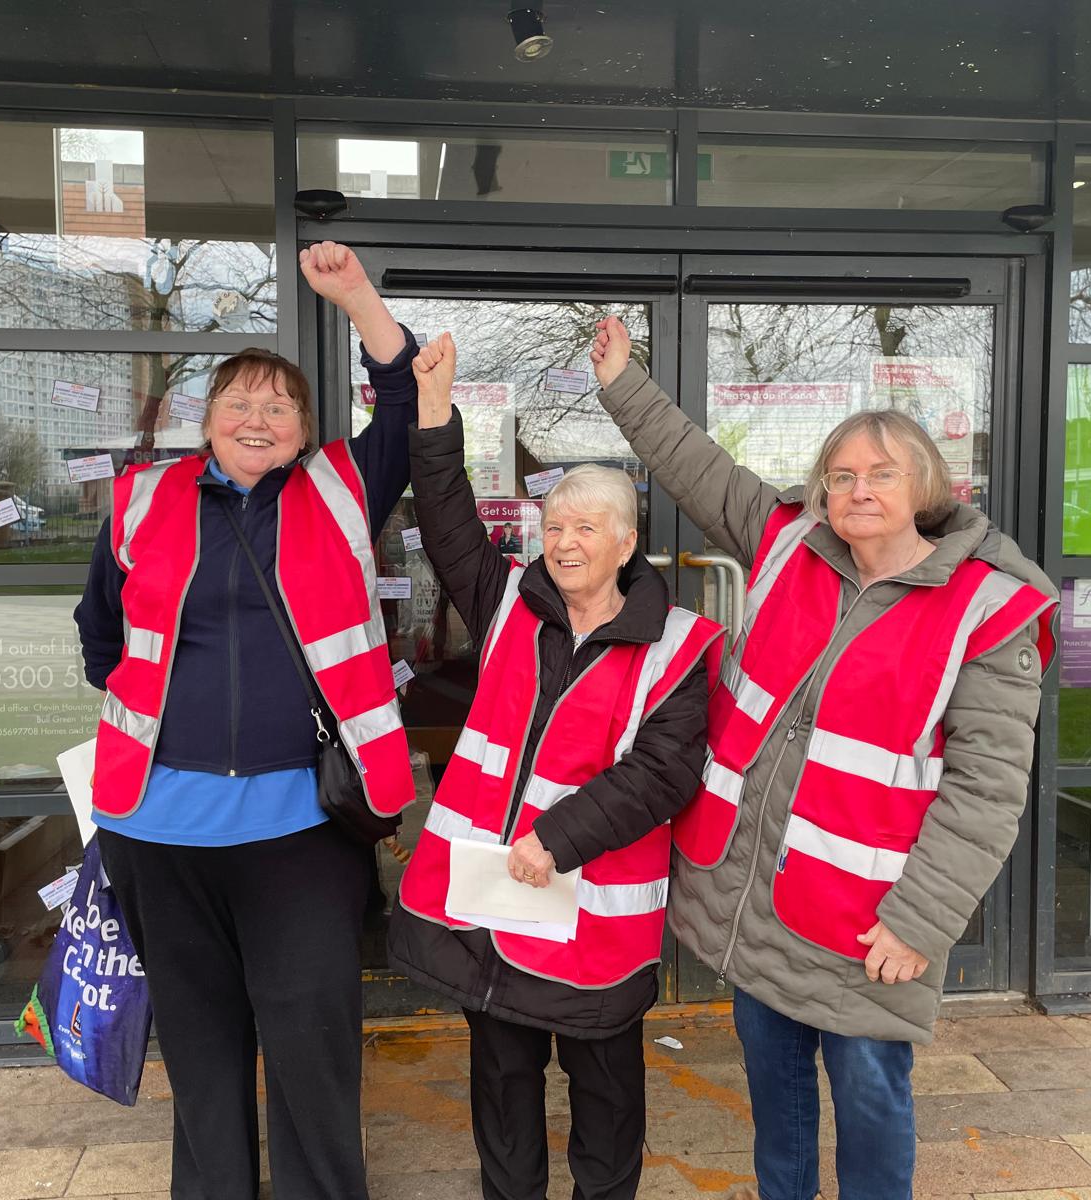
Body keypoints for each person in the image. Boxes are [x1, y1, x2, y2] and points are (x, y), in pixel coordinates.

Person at [588, 316, 1057, 1200]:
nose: (859, 490)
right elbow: (698, 467)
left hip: (869, 920)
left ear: (925, 486)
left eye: (882, 473)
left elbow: (988, 791)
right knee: (778, 1106)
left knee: (872, 1111)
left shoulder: (988, 611)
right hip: (759, 899)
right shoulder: (791, 546)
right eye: (842, 476)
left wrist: (921, 921)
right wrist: (623, 383)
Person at [74, 242, 420, 1200]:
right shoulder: (144, 501)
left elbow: (400, 400)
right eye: (239, 403)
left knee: (311, 1054)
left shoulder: (343, 493)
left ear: (306, 429)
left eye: (279, 405)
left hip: (300, 829)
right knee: (200, 1051)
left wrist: (355, 294)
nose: (257, 418)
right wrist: (156, 716)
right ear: (207, 422)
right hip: (157, 828)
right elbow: (100, 632)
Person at [389, 334, 723, 1200]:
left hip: (594, 925)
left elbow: (662, 773)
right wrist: (433, 410)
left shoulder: (680, 647)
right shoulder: (509, 606)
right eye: (553, 527)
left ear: (625, 543)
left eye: (584, 528)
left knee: (605, 1093)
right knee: (502, 1080)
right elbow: (448, 516)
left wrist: (556, 838)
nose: (563, 543)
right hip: (497, 906)